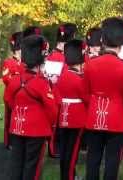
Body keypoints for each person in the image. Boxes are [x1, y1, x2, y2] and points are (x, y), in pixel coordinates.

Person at [83, 17, 123, 180]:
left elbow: (85, 93)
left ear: (102, 40)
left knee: (92, 159)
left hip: (94, 117)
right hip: (117, 120)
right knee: (112, 161)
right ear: (121, 43)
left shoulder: (90, 64)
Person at [5, 35, 58, 180]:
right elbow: (52, 110)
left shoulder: (16, 80)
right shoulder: (42, 83)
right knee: (32, 167)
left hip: (16, 127)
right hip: (36, 130)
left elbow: (8, 100)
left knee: (16, 163)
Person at [56, 39, 88, 180]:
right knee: (73, 152)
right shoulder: (79, 79)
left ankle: (66, 174)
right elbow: (87, 99)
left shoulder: (62, 76)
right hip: (77, 119)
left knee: (64, 150)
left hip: (63, 117)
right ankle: (69, 176)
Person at [47, 23, 77, 158]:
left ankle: (59, 148)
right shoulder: (56, 56)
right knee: (56, 126)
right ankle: (53, 149)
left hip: (65, 95)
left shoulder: (58, 55)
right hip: (56, 94)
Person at [2, 32, 25, 149]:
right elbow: (6, 78)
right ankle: (8, 142)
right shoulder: (9, 62)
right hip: (11, 94)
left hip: (23, 95)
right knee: (10, 119)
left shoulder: (25, 63)